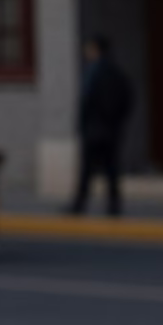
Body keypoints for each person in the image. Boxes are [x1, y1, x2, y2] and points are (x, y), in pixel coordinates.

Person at [68, 35, 134, 216]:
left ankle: (81, 206)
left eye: (89, 49)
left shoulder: (97, 73)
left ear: (96, 50)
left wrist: (93, 124)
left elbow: (92, 102)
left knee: (91, 171)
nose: (86, 53)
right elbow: (127, 100)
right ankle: (111, 207)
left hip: (97, 130)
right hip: (108, 130)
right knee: (108, 171)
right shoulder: (113, 72)